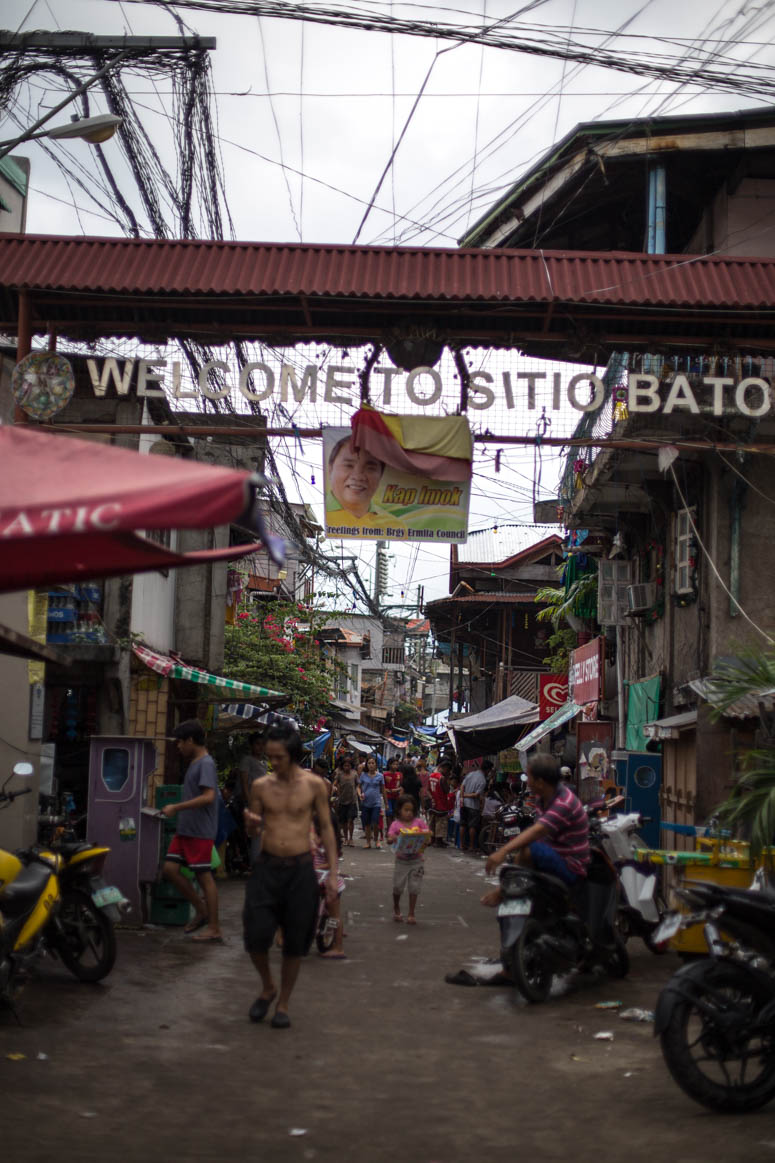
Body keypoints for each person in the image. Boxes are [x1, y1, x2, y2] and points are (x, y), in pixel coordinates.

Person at [243, 722, 338, 1029]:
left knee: (296, 941)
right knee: (256, 936)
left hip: (300, 869)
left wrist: (333, 874)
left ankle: (283, 1002)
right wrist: (250, 824)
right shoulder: (260, 787)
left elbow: (325, 828)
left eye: (279, 757)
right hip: (267, 866)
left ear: (293, 755)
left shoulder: (313, 785)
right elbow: (254, 829)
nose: (274, 763)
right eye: (270, 757)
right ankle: (267, 986)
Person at [484, 753, 590, 885]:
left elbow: (538, 831)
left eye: (529, 777)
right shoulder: (542, 797)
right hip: (553, 856)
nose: (527, 781)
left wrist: (503, 851)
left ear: (539, 782)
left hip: (571, 867)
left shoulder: (564, 802)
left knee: (530, 850)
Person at [161, 720, 222, 943]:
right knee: (169, 869)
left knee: (204, 876)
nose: (178, 747)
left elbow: (208, 796)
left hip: (199, 831)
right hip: (186, 829)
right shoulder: (196, 763)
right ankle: (201, 910)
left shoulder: (205, 763)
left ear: (190, 741)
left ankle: (214, 926)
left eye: (180, 742)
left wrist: (176, 807)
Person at [387, 794, 430, 924]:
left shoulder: (419, 823)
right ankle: (396, 907)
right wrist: (394, 838)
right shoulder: (395, 824)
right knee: (397, 887)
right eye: (406, 810)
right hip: (401, 860)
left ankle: (411, 913)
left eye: (411, 810)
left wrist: (426, 839)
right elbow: (389, 838)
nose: (409, 813)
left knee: (414, 887)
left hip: (417, 860)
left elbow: (428, 836)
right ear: (399, 810)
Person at [311, 811, 346, 960]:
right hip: (319, 880)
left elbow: (332, 863)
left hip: (331, 882)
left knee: (335, 916)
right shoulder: (317, 840)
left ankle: (338, 948)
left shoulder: (330, 843)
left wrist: (315, 867)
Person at [327, 436, 385, 521]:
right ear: (330, 469)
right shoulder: (324, 513)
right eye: (348, 465)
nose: (358, 477)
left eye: (370, 468)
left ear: (381, 475)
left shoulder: (395, 526)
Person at [358, 754, 386, 850]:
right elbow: (358, 787)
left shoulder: (380, 776)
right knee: (367, 824)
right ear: (367, 765)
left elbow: (383, 790)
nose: (371, 765)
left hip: (376, 803)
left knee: (375, 822)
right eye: (369, 763)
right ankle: (368, 842)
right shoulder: (363, 775)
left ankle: (376, 840)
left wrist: (386, 804)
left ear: (376, 765)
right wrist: (360, 794)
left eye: (372, 763)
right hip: (365, 803)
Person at [460, 761, 488, 853]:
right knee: (472, 826)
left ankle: (462, 844)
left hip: (464, 803)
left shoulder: (470, 774)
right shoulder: (483, 780)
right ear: (487, 770)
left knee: (463, 824)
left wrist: (462, 796)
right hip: (473, 805)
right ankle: (471, 846)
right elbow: (476, 795)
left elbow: (462, 786)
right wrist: (465, 795)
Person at [333, 756, 358, 846]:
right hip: (342, 800)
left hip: (352, 800)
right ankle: (346, 838)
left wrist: (359, 793)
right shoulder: (339, 774)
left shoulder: (354, 774)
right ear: (342, 766)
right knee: (343, 821)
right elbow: (335, 783)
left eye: (348, 765)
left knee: (351, 820)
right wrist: (334, 788)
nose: (347, 767)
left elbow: (357, 785)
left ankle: (351, 838)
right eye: (345, 766)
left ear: (351, 766)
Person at [428, 759, 452, 847]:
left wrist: (431, 798)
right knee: (440, 823)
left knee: (432, 822)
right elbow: (447, 790)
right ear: (445, 768)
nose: (448, 772)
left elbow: (427, 789)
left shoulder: (431, 775)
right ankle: (438, 841)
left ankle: (432, 840)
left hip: (433, 802)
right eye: (448, 770)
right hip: (441, 803)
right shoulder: (442, 778)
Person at [239, 732, 267, 804]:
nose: (261, 747)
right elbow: (244, 783)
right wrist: (249, 801)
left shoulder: (264, 763)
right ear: (251, 745)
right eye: (257, 744)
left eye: (263, 744)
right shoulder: (247, 760)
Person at [383, 756, 403, 826]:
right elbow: (382, 788)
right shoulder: (385, 774)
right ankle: (389, 829)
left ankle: (394, 828)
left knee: (395, 814)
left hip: (396, 797)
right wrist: (387, 790)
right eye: (393, 764)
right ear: (389, 765)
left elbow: (401, 787)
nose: (395, 766)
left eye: (397, 764)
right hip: (388, 797)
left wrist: (395, 790)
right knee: (389, 813)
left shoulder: (399, 775)